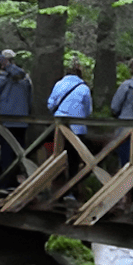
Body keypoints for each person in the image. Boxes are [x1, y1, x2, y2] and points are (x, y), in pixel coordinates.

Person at [0, 49, 32, 187]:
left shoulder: (0, 79)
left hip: (5, 121)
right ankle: (13, 181)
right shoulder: (25, 79)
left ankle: (4, 183)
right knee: (18, 152)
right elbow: (30, 99)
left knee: (5, 152)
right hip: (23, 121)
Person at [48, 60, 93, 188]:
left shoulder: (59, 84)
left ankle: (56, 186)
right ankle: (72, 190)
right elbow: (88, 111)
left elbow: (50, 104)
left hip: (59, 128)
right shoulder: (84, 88)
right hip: (77, 130)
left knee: (57, 156)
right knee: (74, 160)